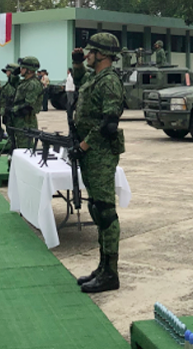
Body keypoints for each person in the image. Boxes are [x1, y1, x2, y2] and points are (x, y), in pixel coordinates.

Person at [70, 32, 125, 293]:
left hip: (100, 153)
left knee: (105, 212)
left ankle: (111, 273)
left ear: (102, 55)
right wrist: (77, 63)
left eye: (91, 52)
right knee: (96, 208)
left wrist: (84, 145)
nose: (88, 54)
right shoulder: (96, 77)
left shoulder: (110, 81)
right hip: (92, 154)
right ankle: (102, 267)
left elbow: (109, 123)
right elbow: (81, 80)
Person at [10, 57, 43, 148]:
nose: (20, 69)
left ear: (29, 70)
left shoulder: (33, 84)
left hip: (26, 121)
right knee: (19, 144)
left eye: (23, 68)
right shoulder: (25, 82)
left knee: (24, 147)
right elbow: (12, 83)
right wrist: (14, 74)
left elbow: (29, 106)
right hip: (20, 120)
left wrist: (14, 110)